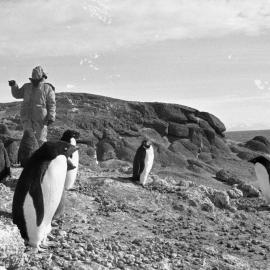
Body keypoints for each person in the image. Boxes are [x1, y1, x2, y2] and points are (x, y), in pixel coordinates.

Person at [9, 66, 56, 146]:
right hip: (27, 118)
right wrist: (14, 86)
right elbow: (17, 94)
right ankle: (29, 158)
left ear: (42, 76)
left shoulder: (47, 88)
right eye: (33, 78)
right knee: (28, 140)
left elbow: (51, 103)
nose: (35, 80)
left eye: (37, 78)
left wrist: (51, 116)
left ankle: (40, 158)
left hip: (41, 119)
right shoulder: (27, 86)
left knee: (40, 140)